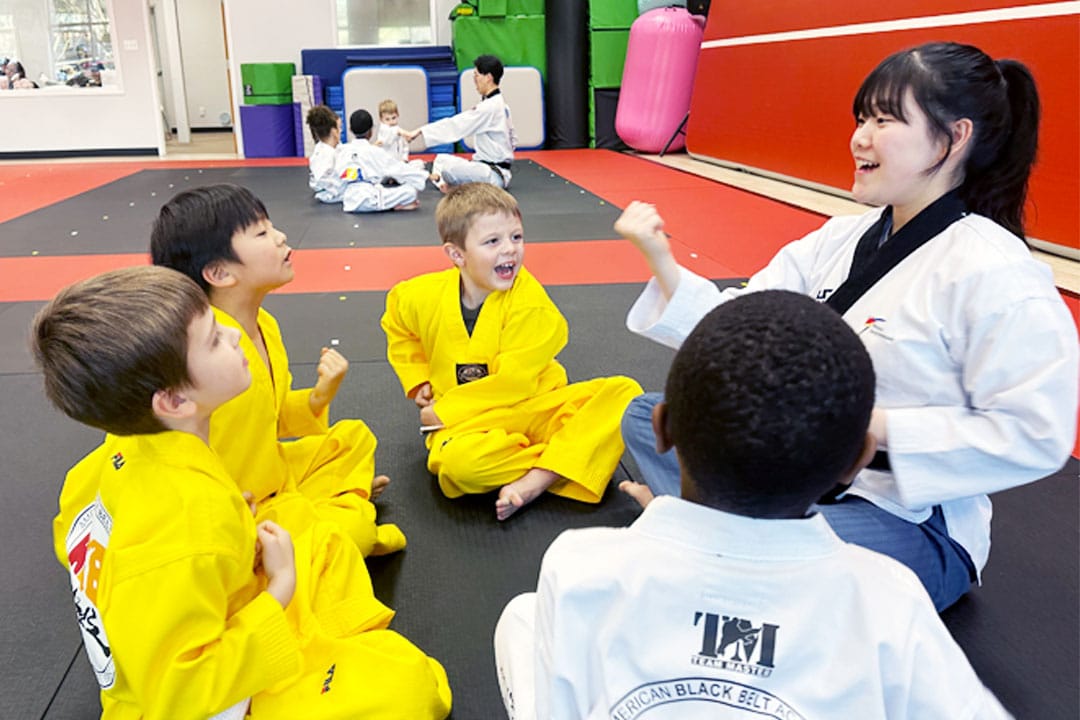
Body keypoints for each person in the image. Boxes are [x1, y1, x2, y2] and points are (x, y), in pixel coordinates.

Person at [614, 41, 1079, 611]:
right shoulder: (837, 239)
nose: (860, 137)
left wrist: (862, 431)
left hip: (906, 518)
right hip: (799, 476)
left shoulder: (995, 269)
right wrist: (662, 262)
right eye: (862, 118)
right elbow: (742, 330)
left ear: (955, 137)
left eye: (884, 120)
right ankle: (726, 534)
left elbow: (1034, 434)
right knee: (648, 415)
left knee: (756, 572)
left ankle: (698, 527)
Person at [494, 289, 1014, 720]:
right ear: (857, 460)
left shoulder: (580, 564)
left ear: (664, 431)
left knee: (522, 616)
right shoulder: (888, 596)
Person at [35, 266, 452, 720]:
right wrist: (279, 589)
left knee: (323, 543)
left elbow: (90, 540)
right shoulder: (189, 514)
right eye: (214, 339)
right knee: (408, 689)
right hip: (203, 698)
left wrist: (232, 542)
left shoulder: (116, 462)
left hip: (197, 622)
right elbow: (181, 692)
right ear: (174, 401)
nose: (232, 338)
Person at [151, 184, 406, 558]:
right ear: (220, 272)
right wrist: (230, 519)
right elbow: (166, 456)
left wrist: (319, 396)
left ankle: (332, 508)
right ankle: (335, 518)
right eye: (262, 233)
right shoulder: (197, 356)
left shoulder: (263, 325)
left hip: (272, 472)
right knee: (355, 536)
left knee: (353, 439)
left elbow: (267, 417)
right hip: (240, 506)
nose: (281, 236)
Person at [381, 183, 642, 520]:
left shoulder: (532, 306)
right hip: (476, 424)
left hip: (535, 405)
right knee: (457, 465)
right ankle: (566, 459)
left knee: (625, 395)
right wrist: (417, 380)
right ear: (456, 254)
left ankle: (540, 477)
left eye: (517, 237)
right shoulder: (418, 295)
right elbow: (398, 326)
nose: (510, 250)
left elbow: (515, 382)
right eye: (493, 241)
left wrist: (445, 412)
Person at [400, 55, 516, 192]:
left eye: (476, 75)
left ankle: (456, 187)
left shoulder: (489, 108)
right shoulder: (500, 105)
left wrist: (419, 131)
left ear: (488, 77)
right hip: (487, 168)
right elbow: (513, 139)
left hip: (492, 175)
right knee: (441, 159)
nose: (475, 81)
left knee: (448, 171)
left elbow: (456, 125)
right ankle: (458, 186)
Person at [334, 108, 427, 212]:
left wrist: (359, 175)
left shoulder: (343, 150)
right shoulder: (374, 151)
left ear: (350, 129)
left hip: (349, 200)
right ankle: (395, 206)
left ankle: (391, 204)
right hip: (370, 199)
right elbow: (398, 169)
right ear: (371, 131)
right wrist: (425, 175)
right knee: (411, 192)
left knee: (377, 186)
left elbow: (340, 173)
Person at [305, 104, 345, 203]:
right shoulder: (323, 154)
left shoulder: (335, 147)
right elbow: (322, 179)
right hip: (330, 194)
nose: (341, 131)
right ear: (333, 131)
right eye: (339, 128)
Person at [373, 98, 422, 167]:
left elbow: (405, 146)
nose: (391, 122)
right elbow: (393, 133)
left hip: (399, 163)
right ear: (381, 119)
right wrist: (409, 134)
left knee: (419, 163)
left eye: (393, 118)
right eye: (387, 119)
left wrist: (405, 159)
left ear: (398, 115)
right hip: (386, 164)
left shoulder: (398, 131)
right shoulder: (384, 129)